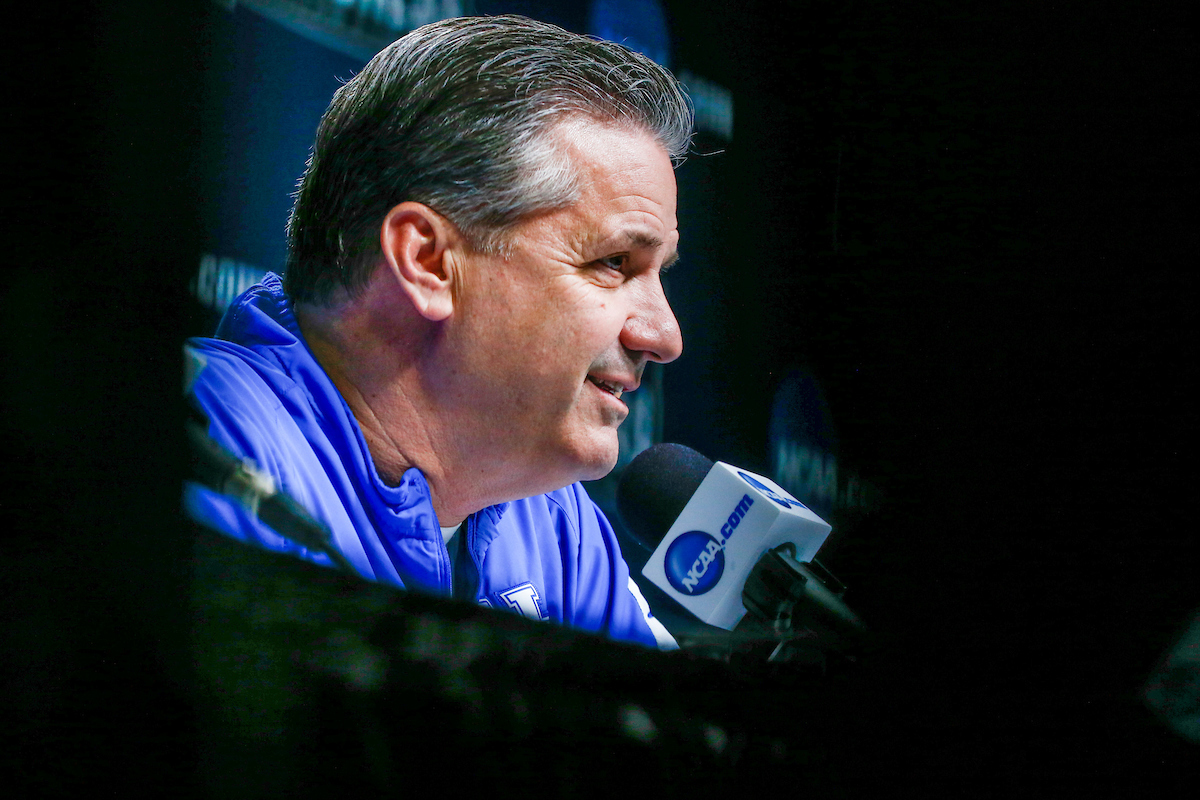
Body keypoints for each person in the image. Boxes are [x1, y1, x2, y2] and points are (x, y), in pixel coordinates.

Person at [184, 15, 691, 650]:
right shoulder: (207, 438)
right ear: (427, 261)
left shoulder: (558, 528)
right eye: (614, 263)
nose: (665, 336)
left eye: (659, 273)